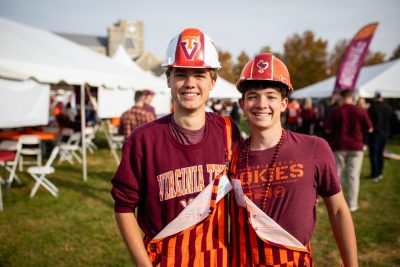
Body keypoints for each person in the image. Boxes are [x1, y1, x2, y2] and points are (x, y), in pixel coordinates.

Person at [111, 28, 241, 266]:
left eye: (199, 74)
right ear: (168, 79)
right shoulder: (143, 140)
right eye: (181, 74)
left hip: (218, 259)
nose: (190, 83)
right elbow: (123, 206)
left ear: (213, 81)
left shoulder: (228, 131)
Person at [229, 53, 358, 266]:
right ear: (242, 104)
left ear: (284, 103)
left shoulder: (314, 148)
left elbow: (338, 210)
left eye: (271, 96)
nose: (261, 104)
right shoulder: (232, 155)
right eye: (252, 96)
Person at [324, 89, 373, 212]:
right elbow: (370, 128)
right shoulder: (360, 111)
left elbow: (328, 129)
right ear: (352, 97)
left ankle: (336, 204)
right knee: (353, 176)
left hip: (339, 146)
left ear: (341, 98)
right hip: (356, 147)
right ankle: (352, 204)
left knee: (337, 175)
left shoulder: (336, 111)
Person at [368, 91, 393, 181]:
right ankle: (379, 173)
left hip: (375, 134)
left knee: (374, 154)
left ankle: (375, 174)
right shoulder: (388, 107)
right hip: (384, 134)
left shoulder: (372, 108)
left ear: (375, 97)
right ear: (382, 97)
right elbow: (392, 121)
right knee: (380, 154)